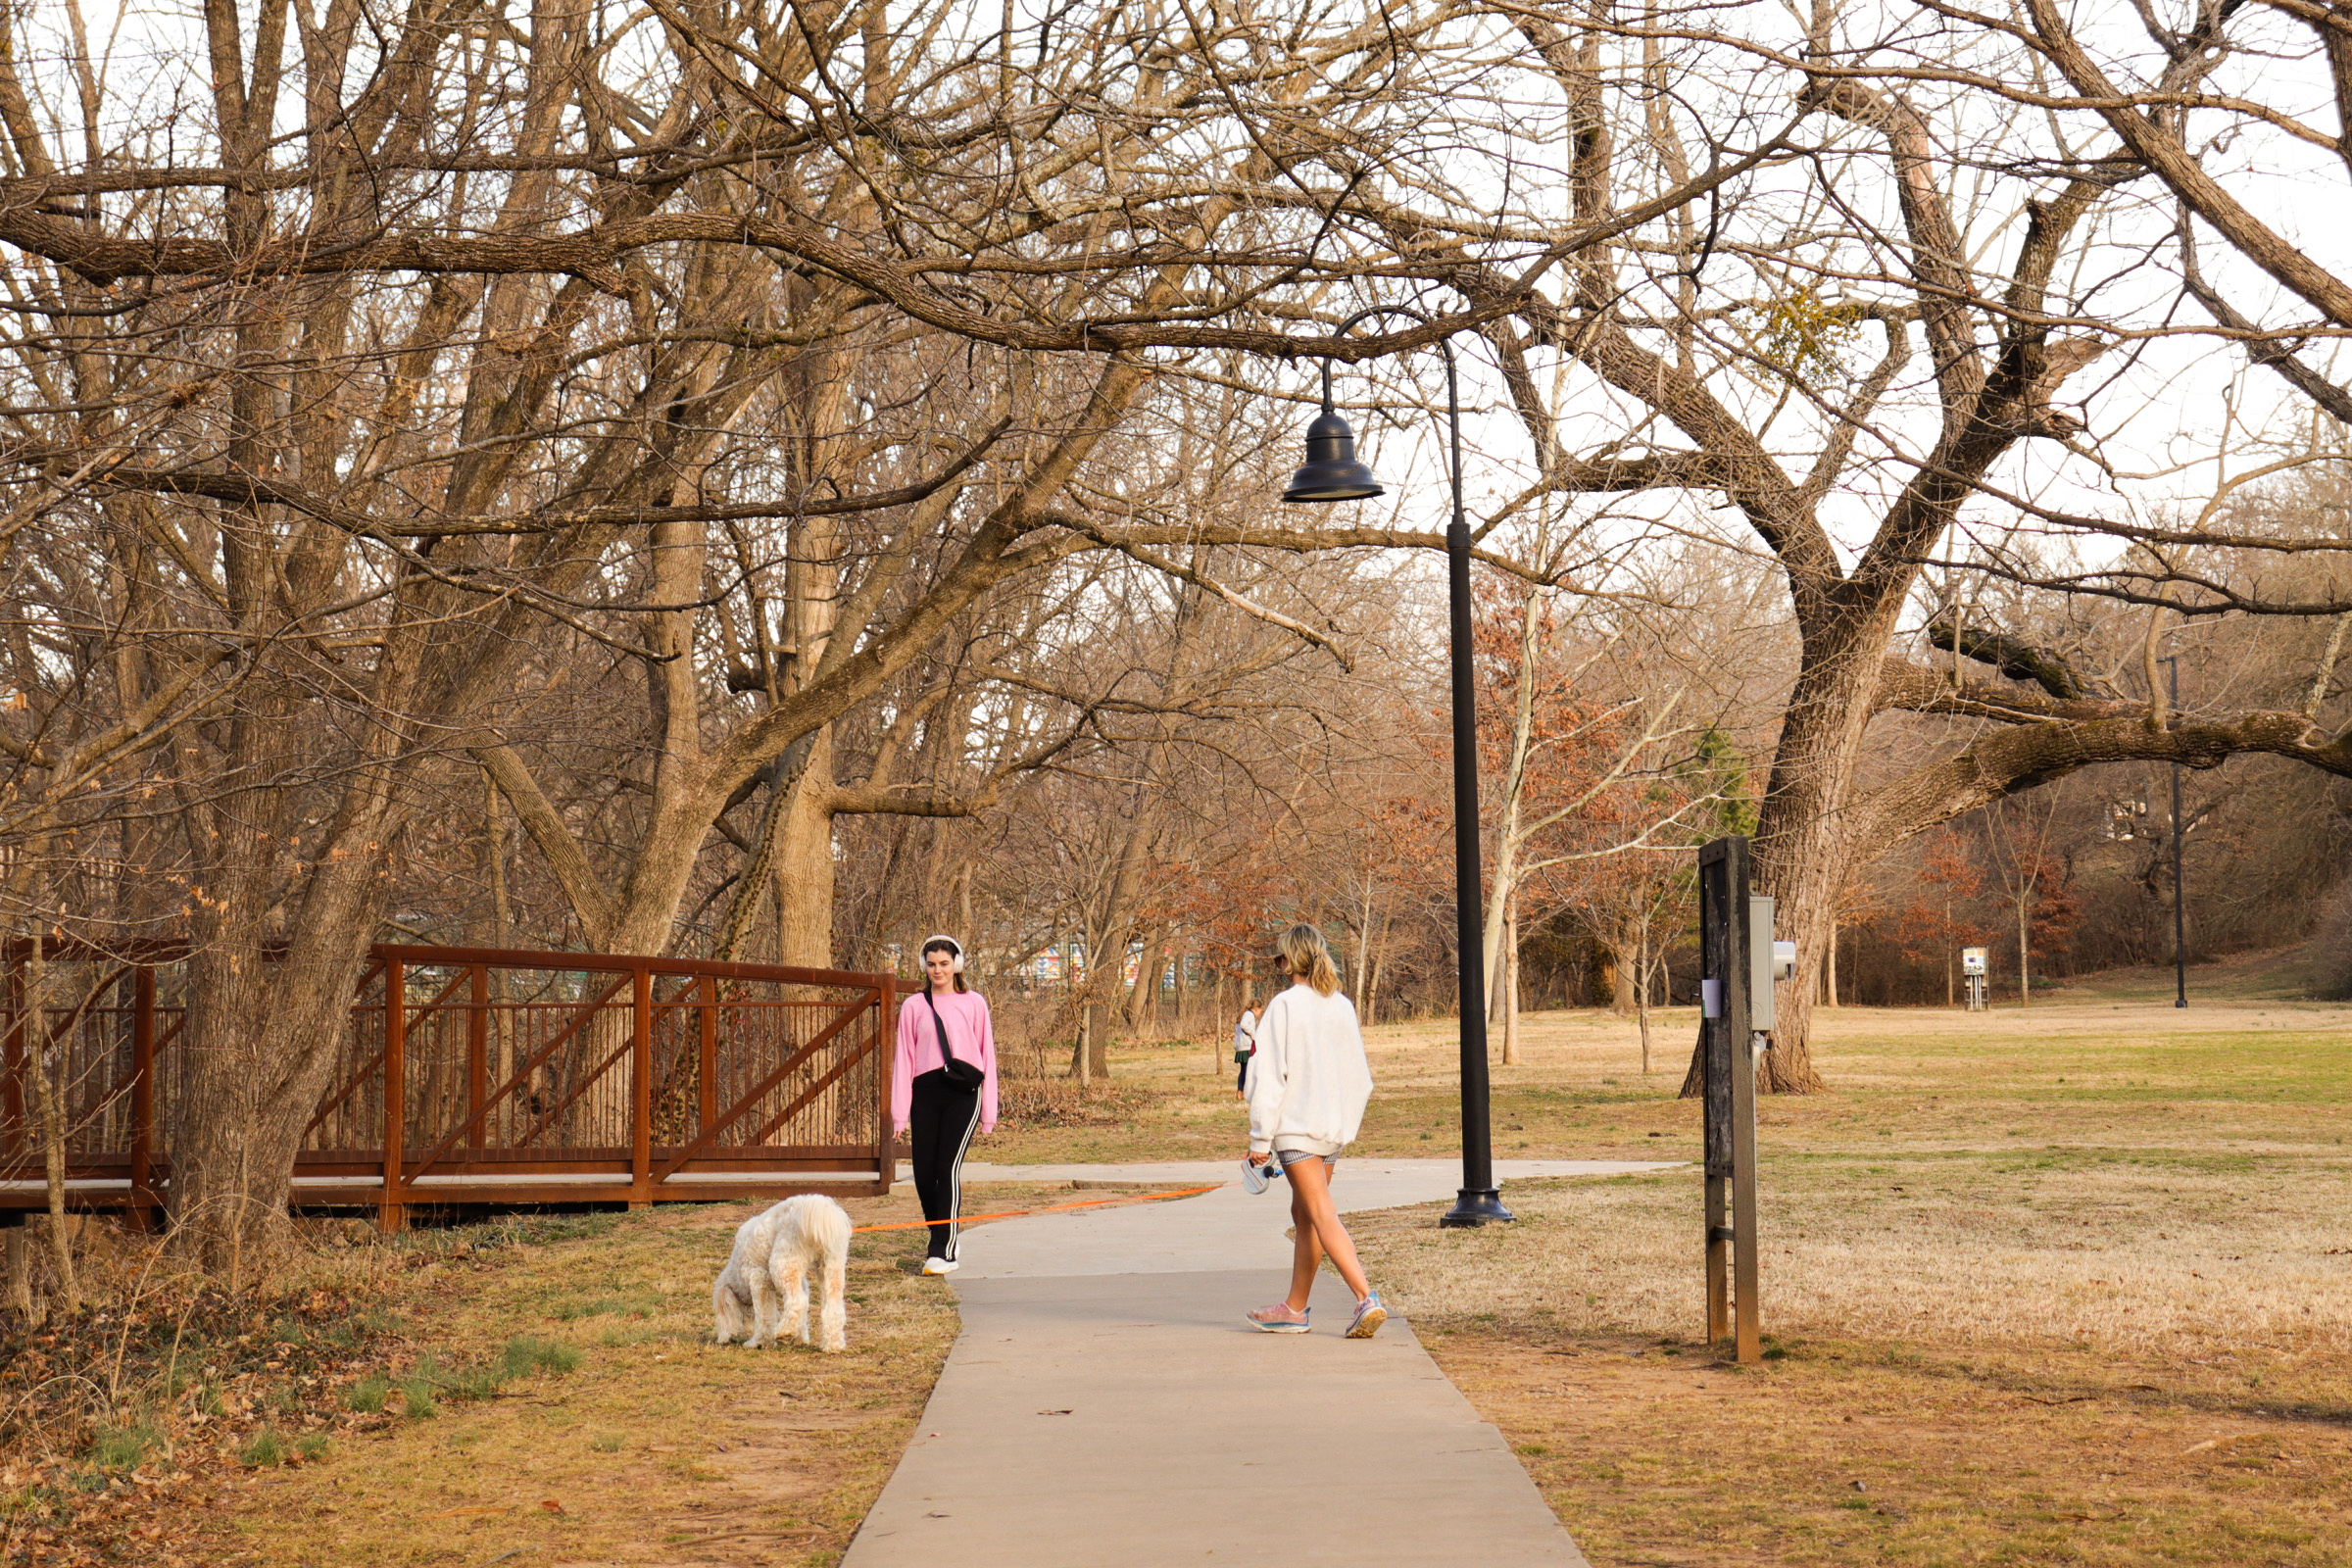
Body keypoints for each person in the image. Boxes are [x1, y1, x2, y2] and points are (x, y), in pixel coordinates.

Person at [1241, 923, 1385, 1338]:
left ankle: (1364, 1297)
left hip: (1299, 1131)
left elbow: (1268, 1078)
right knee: (1303, 1214)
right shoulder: (1341, 1005)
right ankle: (1294, 1309)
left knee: (1319, 1213)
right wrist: (1343, 1124)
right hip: (1331, 1130)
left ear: (1289, 961)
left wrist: (1259, 1142)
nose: (1278, 965)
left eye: (1279, 957)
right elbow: (1361, 1078)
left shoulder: (1284, 1006)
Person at [891, 934, 998, 1276]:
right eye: (932, 964)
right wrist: (899, 1113)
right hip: (925, 1092)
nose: (938, 970)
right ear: (924, 966)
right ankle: (941, 1234)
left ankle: (943, 1250)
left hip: (963, 1094)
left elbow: (987, 1057)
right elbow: (904, 1061)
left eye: (945, 964)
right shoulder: (913, 1006)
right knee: (923, 1175)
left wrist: (988, 1112)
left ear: (957, 965)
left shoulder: (974, 1003)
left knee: (946, 1170)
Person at [1232, 992, 1265, 1097]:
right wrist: (1252, 1034)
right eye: (1260, 1011)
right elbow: (1244, 1025)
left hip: (1241, 1046)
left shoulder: (1244, 1014)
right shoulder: (1249, 1015)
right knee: (1249, 1070)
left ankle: (1240, 1091)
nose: (1260, 1013)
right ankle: (1244, 1092)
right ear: (1257, 1009)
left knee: (1244, 1070)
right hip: (1246, 1046)